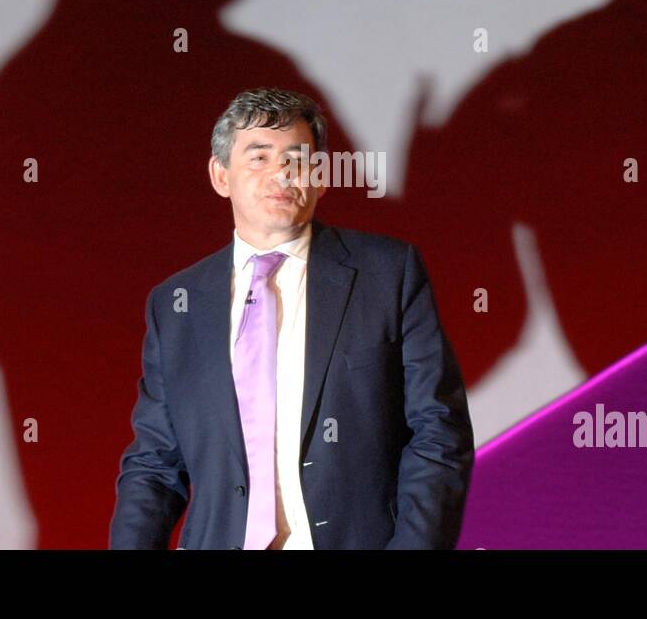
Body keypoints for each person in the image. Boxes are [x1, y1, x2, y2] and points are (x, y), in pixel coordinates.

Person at [109, 88, 474, 549]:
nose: (281, 172)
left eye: (297, 159)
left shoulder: (387, 274)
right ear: (221, 176)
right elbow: (155, 463)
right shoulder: (177, 303)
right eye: (259, 157)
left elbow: (439, 433)